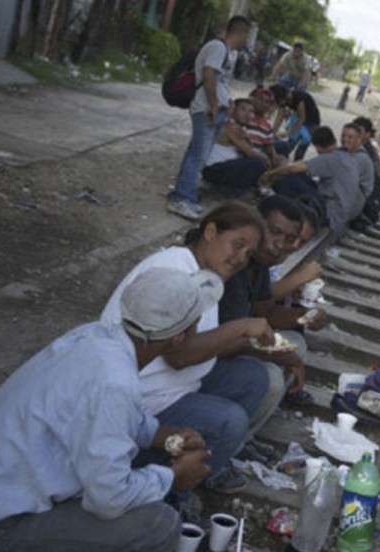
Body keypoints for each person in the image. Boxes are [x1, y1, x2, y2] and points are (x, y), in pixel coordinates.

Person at [0, 267, 218, 552]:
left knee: (142, 477)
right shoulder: (114, 381)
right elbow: (109, 499)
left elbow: (110, 418)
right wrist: (173, 477)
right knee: (158, 526)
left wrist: (163, 436)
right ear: (180, 336)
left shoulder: (95, 337)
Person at [102, 203, 275, 497]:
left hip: (179, 383)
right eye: (237, 245)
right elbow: (178, 354)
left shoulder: (205, 274)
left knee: (253, 375)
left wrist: (252, 343)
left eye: (248, 254)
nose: (240, 258)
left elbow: (202, 342)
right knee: (230, 421)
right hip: (143, 399)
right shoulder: (177, 267)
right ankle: (173, 495)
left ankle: (206, 465)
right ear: (210, 232)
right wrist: (242, 327)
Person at [219, 196, 327, 409]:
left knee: (296, 341)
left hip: (236, 344)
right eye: (274, 232)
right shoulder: (233, 265)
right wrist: (285, 357)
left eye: (289, 239)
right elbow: (225, 341)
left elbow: (265, 311)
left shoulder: (259, 266)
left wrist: (305, 316)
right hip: (214, 355)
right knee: (269, 379)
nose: (280, 245)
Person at [167, 16, 251, 221]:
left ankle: (185, 194)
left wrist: (226, 104)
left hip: (216, 109)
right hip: (206, 110)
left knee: (196, 154)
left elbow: (219, 81)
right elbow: (208, 76)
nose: (247, 40)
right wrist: (213, 107)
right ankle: (181, 199)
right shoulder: (217, 47)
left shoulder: (227, 52)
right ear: (240, 33)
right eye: (246, 35)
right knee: (198, 156)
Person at [260, 126, 364, 234]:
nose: (345, 139)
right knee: (301, 176)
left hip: (330, 213)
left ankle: (281, 211)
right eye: (343, 136)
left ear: (318, 147)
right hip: (339, 212)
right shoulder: (346, 157)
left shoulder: (331, 158)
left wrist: (269, 174)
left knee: (290, 179)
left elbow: (293, 168)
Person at [201, 98, 270, 194]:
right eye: (243, 109)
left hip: (221, 167)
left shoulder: (237, 128)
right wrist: (268, 161)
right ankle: (232, 190)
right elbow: (251, 153)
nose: (247, 114)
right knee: (258, 163)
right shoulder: (232, 128)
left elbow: (249, 148)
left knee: (259, 160)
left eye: (250, 111)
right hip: (213, 170)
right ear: (233, 111)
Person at [270, 84, 321, 161]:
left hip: (311, 123)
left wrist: (289, 133)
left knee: (302, 147)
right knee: (288, 146)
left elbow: (302, 118)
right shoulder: (285, 100)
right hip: (299, 121)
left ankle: (297, 165)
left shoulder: (298, 97)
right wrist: (273, 133)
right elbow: (280, 116)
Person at [247, 87, 285, 168]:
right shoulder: (246, 116)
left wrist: (275, 159)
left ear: (269, 106)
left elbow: (269, 147)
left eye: (267, 102)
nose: (262, 104)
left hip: (257, 155)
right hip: (247, 155)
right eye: (260, 99)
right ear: (254, 100)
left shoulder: (267, 125)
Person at [342, 122, 375, 202]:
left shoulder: (361, 158)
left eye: (350, 137)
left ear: (359, 139)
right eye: (343, 136)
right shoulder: (347, 151)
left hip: (356, 200)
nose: (345, 139)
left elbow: (343, 178)